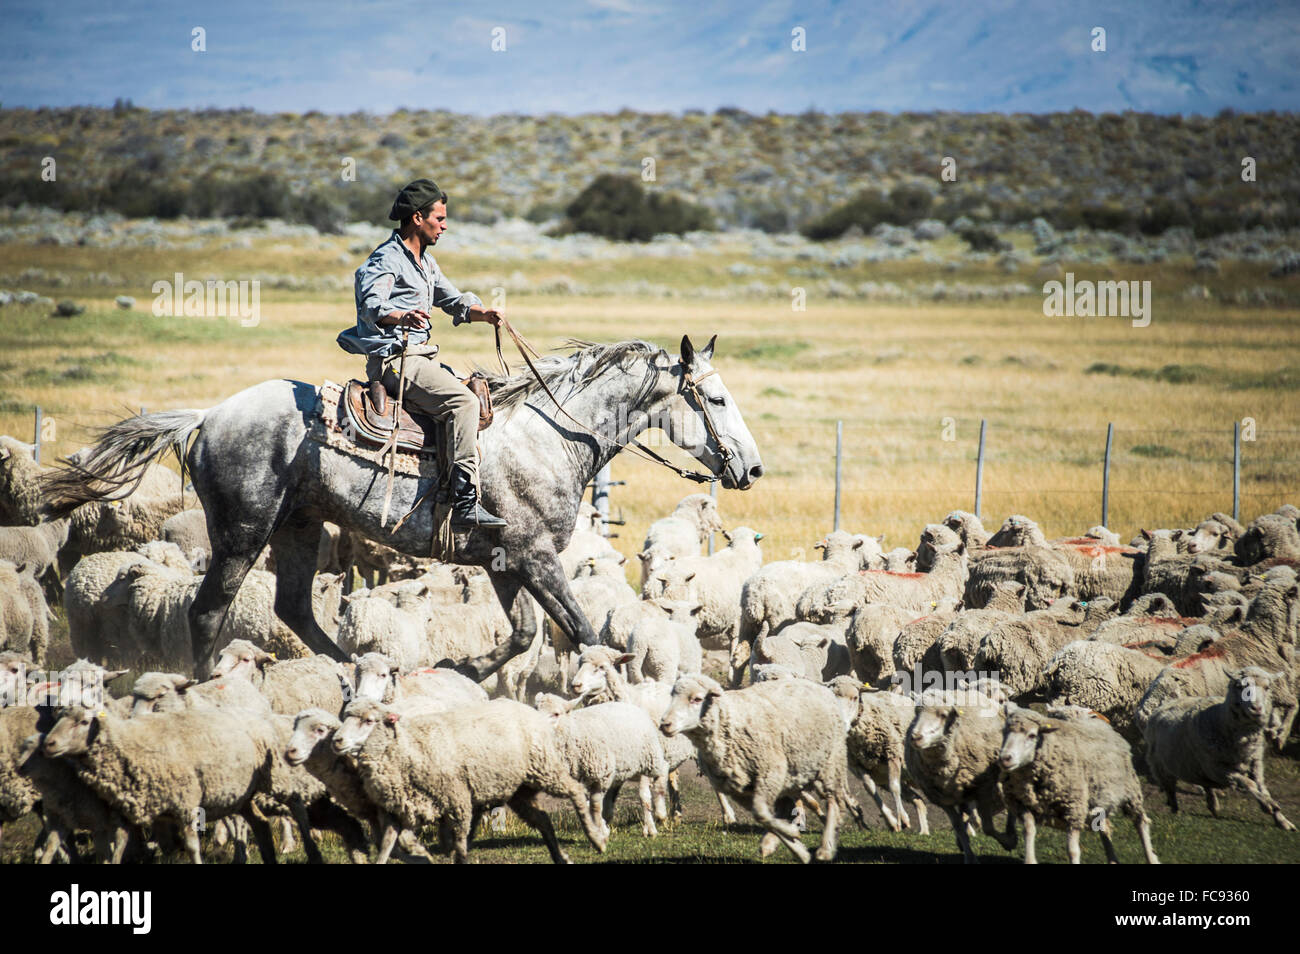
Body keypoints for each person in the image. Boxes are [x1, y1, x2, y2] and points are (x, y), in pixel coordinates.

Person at [338, 178, 507, 532]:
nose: (444, 226)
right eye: (439, 219)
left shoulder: (425, 264)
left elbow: (453, 300)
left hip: (421, 359)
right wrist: (402, 316)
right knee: (463, 404)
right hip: (397, 360)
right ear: (417, 218)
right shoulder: (387, 259)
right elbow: (372, 304)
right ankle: (463, 500)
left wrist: (483, 314)